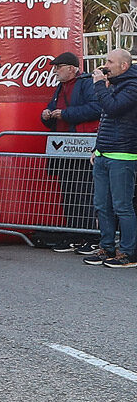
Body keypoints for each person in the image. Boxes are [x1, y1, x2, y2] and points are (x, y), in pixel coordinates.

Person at [38, 51, 100, 252]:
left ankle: (91, 236)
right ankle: (74, 235)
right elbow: (52, 110)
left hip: (81, 146)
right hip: (62, 146)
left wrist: (64, 114)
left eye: (58, 67)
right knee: (68, 192)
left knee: (83, 192)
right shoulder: (60, 87)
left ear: (72, 69)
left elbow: (96, 108)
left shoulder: (87, 83)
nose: (55, 71)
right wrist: (46, 115)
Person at [83, 48, 137, 268]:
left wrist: (98, 85)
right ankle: (106, 247)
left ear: (124, 66)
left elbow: (113, 109)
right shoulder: (113, 86)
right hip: (105, 153)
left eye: (110, 62)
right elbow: (105, 120)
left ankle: (128, 252)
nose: (105, 65)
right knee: (102, 204)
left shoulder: (133, 86)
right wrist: (97, 149)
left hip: (123, 155)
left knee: (122, 206)